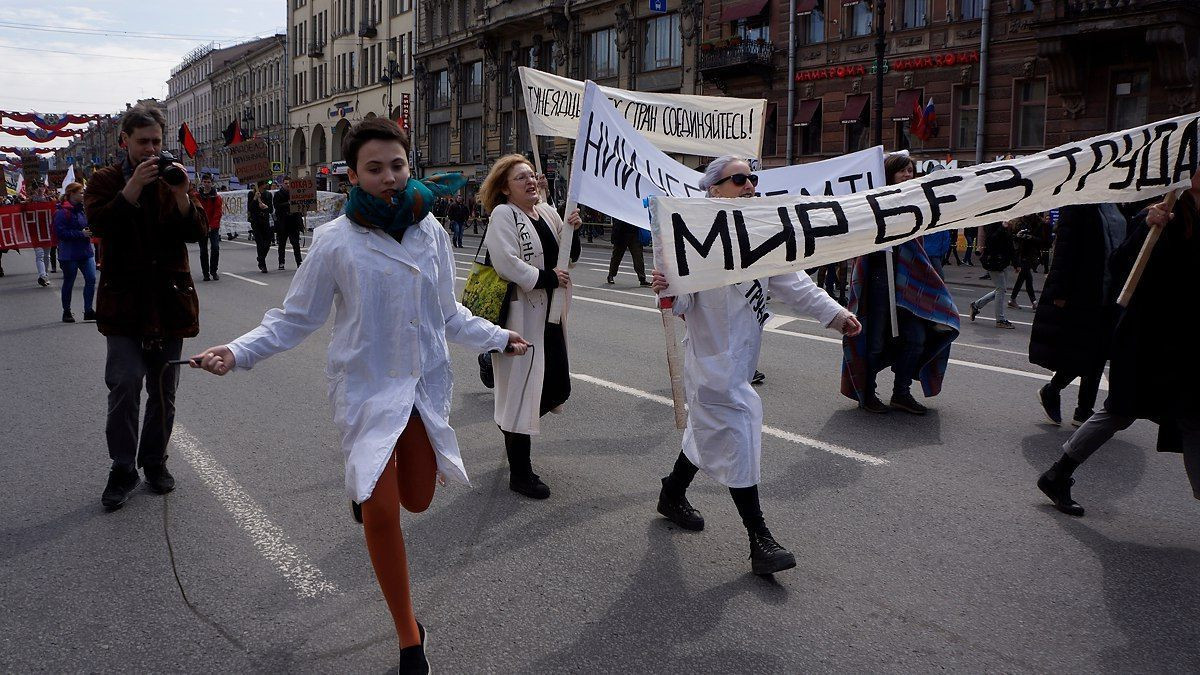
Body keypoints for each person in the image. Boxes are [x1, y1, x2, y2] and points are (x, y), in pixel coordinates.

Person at [190, 118, 529, 672]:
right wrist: (237, 351)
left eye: (396, 165)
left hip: (419, 386)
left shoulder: (432, 233)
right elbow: (294, 319)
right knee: (381, 511)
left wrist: (497, 337)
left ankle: (369, 495)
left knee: (417, 497)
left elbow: (448, 315)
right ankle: (408, 637)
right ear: (354, 175)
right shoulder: (334, 242)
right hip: (367, 390)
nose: (389, 177)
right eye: (374, 169)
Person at [651, 155, 862, 575]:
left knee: (706, 434)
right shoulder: (692, 238)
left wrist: (836, 316)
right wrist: (669, 286)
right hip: (712, 369)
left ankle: (672, 492)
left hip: (742, 363)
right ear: (714, 190)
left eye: (752, 179)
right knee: (741, 433)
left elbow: (794, 282)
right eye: (738, 180)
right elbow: (684, 302)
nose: (749, 186)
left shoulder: (759, 235)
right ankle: (759, 539)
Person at [1037, 182, 1200, 516]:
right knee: (1122, 410)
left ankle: (1058, 473)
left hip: (1185, 341)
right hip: (1149, 339)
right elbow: (1118, 265)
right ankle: (1059, 473)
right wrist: (1146, 228)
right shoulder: (1159, 214)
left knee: (1191, 416)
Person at [83, 102, 208, 511]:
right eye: (143, 142)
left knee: (163, 389)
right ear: (125, 141)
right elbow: (101, 225)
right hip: (125, 304)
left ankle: (154, 461)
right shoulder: (104, 180)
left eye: (156, 141)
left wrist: (182, 194)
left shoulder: (171, 177)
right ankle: (122, 467)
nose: (151, 149)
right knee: (124, 383)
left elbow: (197, 230)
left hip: (169, 302)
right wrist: (133, 187)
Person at [480, 154, 583, 500]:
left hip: (551, 316)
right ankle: (520, 473)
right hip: (522, 315)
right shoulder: (503, 215)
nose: (530, 182)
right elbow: (506, 262)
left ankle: (509, 424)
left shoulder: (547, 213)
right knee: (523, 393)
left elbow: (567, 256)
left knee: (557, 387)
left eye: (531, 175)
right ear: (506, 189)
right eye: (520, 177)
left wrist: (573, 230)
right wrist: (545, 277)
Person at [841, 153, 960, 415]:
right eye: (903, 171)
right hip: (880, 280)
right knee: (873, 341)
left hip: (910, 280)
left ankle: (901, 393)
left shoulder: (915, 201)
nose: (909, 175)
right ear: (889, 173)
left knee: (916, 339)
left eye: (911, 171)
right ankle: (868, 392)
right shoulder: (873, 202)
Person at [1029, 203, 1126, 427]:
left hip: (1111, 291)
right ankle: (1054, 390)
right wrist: (1060, 292)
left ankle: (1082, 409)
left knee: (1099, 352)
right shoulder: (1080, 203)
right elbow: (1065, 248)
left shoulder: (1119, 203)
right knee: (1082, 351)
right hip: (1083, 291)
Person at [53, 182, 96, 323]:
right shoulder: (61, 212)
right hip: (69, 254)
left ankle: (88, 310)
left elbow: (87, 227)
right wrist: (80, 234)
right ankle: (66, 311)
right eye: (81, 193)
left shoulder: (83, 210)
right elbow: (60, 233)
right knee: (69, 282)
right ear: (72, 194)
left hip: (85, 252)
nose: (83, 195)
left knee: (91, 279)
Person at [968, 221, 1016, 328]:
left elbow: (1009, 244)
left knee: (1000, 290)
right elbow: (990, 241)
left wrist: (1016, 263)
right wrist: (1002, 228)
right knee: (1001, 289)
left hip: (1003, 261)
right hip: (994, 261)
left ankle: (975, 305)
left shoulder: (1005, 222)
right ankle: (1000, 320)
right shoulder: (992, 222)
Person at [1007, 213, 1047, 309]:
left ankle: (1013, 299)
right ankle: (1033, 302)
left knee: (1024, 276)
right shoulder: (1018, 222)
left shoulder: (1038, 223)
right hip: (1021, 253)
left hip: (1031, 254)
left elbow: (1042, 240)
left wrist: (1030, 237)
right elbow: (1012, 237)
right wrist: (1017, 236)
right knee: (1026, 276)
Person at [272, 176, 304, 270]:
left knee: (296, 244)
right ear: (282, 184)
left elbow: (300, 206)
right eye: (286, 183)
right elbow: (277, 206)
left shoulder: (295, 194)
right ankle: (281, 263)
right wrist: (288, 204)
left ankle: (299, 262)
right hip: (283, 223)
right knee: (282, 244)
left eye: (289, 183)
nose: (288, 185)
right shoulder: (278, 194)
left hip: (293, 222)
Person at [606, 217, 649, 286]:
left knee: (638, 257)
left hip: (634, 233)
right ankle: (611, 275)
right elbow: (616, 220)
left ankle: (642, 278)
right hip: (622, 233)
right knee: (617, 256)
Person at [196, 173, 223, 281]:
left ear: (212, 183)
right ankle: (205, 273)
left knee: (215, 248)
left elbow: (218, 212)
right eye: (205, 182)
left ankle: (213, 271)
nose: (207, 184)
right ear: (202, 182)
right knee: (203, 250)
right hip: (202, 226)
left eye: (209, 182)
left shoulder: (216, 197)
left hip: (213, 227)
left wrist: (212, 225)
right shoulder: (197, 196)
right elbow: (196, 211)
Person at [248, 180, 274, 273]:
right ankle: (263, 264)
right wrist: (255, 199)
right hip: (256, 221)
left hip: (266, 221)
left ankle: (260, 257)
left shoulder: (268, 195)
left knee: (267, 242)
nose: (266, 185)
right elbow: (250, 208)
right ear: (261, 185)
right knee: (260, 243)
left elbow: (271, 208)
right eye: (264, 184)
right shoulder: (252, 194)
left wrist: (266, 207)